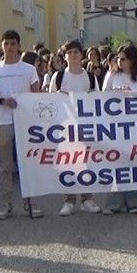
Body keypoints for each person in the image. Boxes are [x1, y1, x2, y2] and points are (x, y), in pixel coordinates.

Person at [0, 30, 43, 219]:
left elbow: (36, 95)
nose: (9, 47)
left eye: (12, 43)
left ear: (18, 46)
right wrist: (3, 101)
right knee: (5, 166)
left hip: (25, 123)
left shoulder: (28, 69)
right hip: (3, 122)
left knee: (27, 164)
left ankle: (30, 203)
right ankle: (6, 204)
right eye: (6, 43)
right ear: (1, 45)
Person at [50, 40, 102, 217]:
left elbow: (98, 100)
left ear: (81, 55)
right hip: (65, 128)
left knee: (87, 162)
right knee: (68, 163)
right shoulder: (58, 77)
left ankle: (87, 199)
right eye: (69, 52)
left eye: (76, 52)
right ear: (65, 56)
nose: (73, 55)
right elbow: (51, 102)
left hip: (86, 126)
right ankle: (69, 200)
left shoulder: (90, 77)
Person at [101, 45, 137, 215]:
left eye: (123, 59)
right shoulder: (112, 75)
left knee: (135, 163)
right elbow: (103, 97)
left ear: (132, 60)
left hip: (136, 127)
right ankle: (114, 203)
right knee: (116, 163)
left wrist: (132, 95)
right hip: (116, 127)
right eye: (118, 59)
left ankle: (134, 203)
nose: (120, 62)